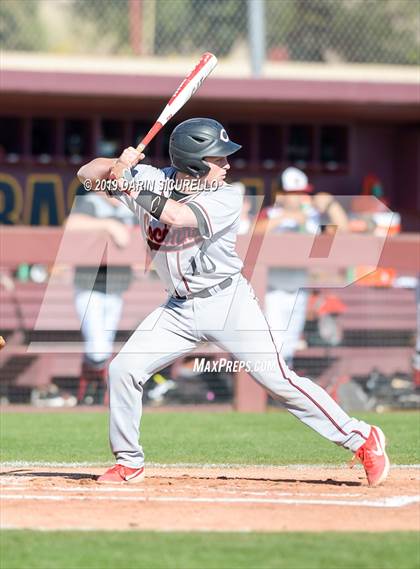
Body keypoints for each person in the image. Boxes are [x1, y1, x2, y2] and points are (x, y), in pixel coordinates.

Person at [77, 118, 389, 486]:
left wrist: (127, 184)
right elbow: (86, 173)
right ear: (193, 162)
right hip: (177, 308)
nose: (227, 166)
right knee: (123, 370)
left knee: (277, 380)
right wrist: (116, 166)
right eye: (218, 159)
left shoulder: (225, 197)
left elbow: (176, 215)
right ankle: (129, 461)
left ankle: (362, 438)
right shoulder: (150, 179)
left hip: (227, 302)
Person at [260, 167, 348, 366]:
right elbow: (254, 233)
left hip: (300, 289)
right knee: (272, 346)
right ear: (280, 194)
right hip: (272, 290)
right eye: (293, 193)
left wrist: (331, 204)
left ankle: (280, 393)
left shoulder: (312, 217)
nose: (300, 198)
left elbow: (343, 231)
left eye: (303, 193)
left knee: (289, 346)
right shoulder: (270, 213)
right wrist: (284, 218)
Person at [66, 192, 137, 404]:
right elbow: (71, 223)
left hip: (117, 285)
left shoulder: (130, 204)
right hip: (89, 284)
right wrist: (108, 225)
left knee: (103, 344)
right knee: (98, 347)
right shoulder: (90, 201)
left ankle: (91, 394)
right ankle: (96, 391)